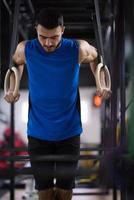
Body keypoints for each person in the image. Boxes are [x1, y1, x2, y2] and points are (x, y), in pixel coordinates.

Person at [4, 8, 111, 200]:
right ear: (36, 29)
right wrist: (14, 88)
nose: (48, 43)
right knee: (44, 193)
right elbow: (16, 63)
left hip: (69, 134)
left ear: (63, 30)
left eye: (53, 37)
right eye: (42, 36)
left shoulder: (77, 49)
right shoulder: (26, 49)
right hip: (38, 134)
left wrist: (100, 84)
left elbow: (96, 57)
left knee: (65, 192)